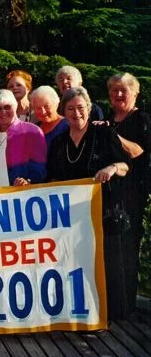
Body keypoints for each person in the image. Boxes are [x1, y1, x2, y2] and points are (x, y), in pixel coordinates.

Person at [47, 86, 130, 319]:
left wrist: (111, 168)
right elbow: (51, 178)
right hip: (72, 218)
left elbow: (125, 165)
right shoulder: (58, 143)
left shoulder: (104, 134)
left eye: (81, 108)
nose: (76, 113)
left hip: (104, 211)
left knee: (109, 265)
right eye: (70, 109)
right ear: (63, 111)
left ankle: (115, 318)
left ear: (90, 109)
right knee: (76, 265)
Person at [107, 73, 151, 315]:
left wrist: (114, 136)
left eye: (124, 90)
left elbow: (138, 152)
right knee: (111, 249)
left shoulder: (141, 119)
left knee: (127, 247)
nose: (119, 94)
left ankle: (126, 308)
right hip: (108, 192)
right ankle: (111, 302)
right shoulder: (107, 118)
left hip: (131, 192)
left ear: (136, 93)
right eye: (114, 90)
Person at [0, 89, 47, 187]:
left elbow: (40, 167)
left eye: (7, 107)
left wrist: (28, 180)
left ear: (15, 107)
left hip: (20, 196)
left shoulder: (32, 131)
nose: (3, 112)